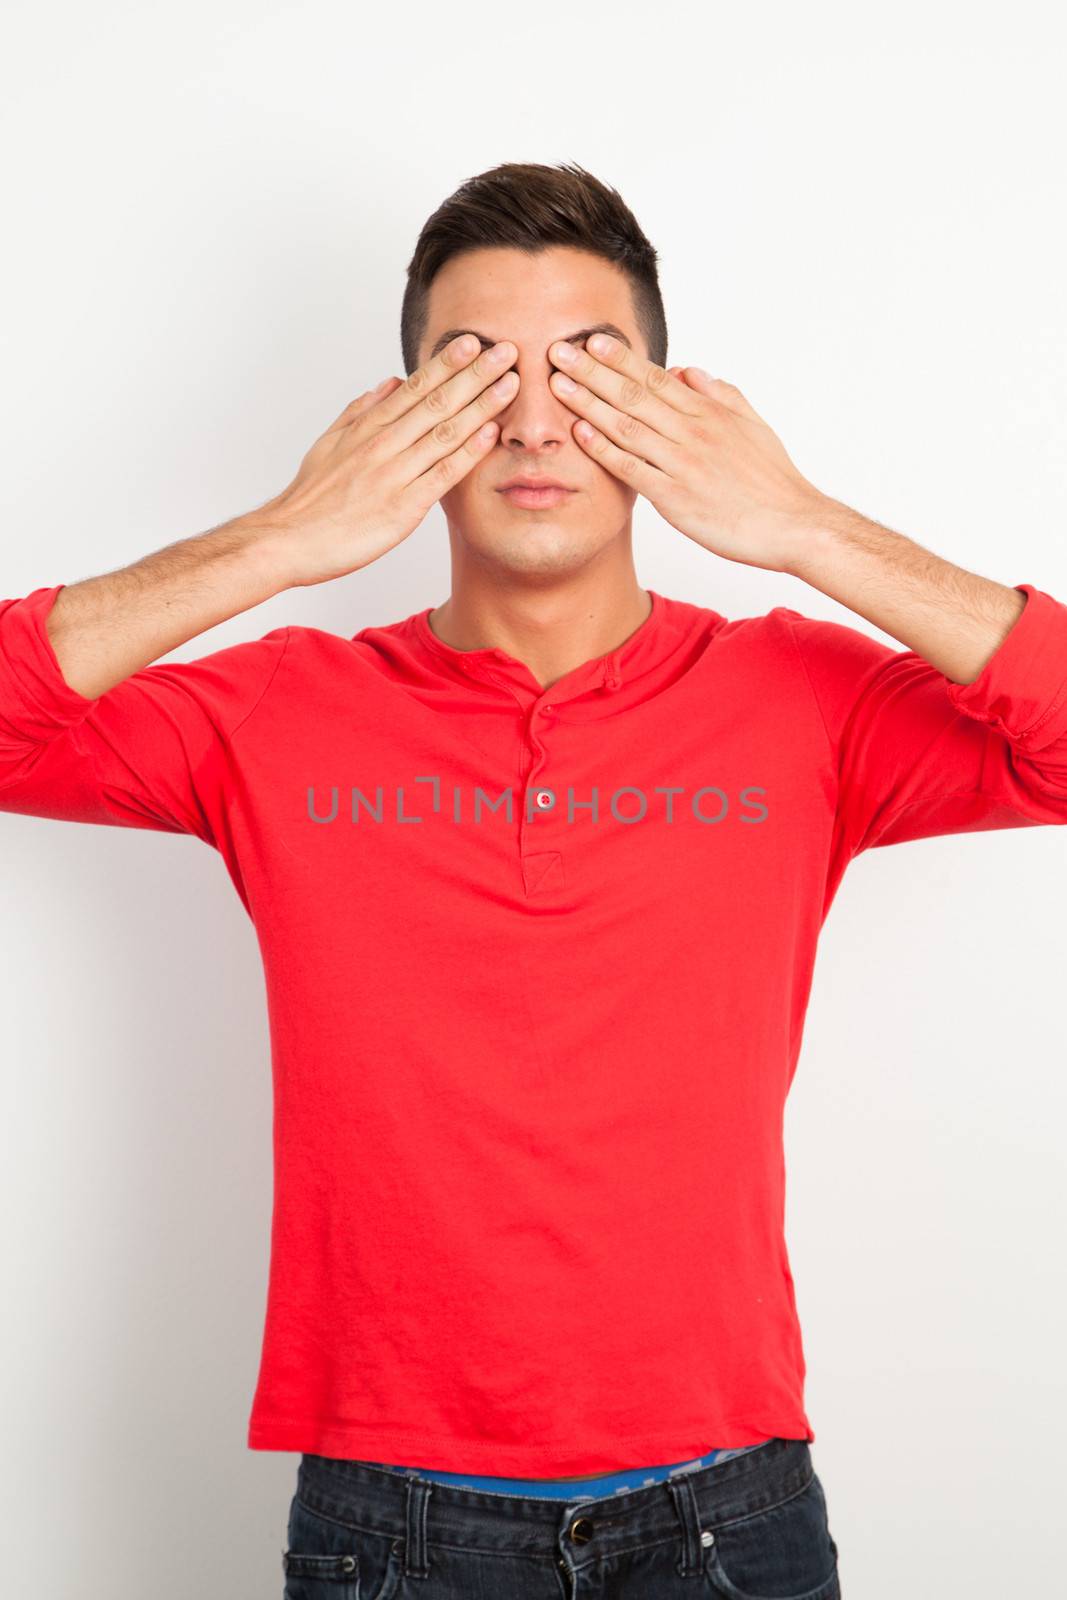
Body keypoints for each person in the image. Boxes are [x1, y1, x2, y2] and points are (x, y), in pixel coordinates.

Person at [2, 159, 1064, 1600]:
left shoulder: (800, 700)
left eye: (590, 367)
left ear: (675, 415)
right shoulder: (276, 716)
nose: (531, 418)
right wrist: (280, 543)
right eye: (473, 371)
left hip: (725, 1512)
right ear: (404, 425)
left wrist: (807, 527)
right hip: (391, 1523)